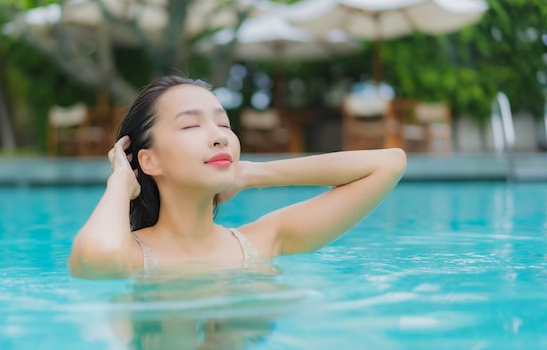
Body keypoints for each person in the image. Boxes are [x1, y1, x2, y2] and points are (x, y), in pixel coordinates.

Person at [69, 75, 406, 279]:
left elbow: (388, 164)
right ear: (149, 160)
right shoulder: (132, 255)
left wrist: (251, 173)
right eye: (190, 125)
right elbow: (98, 255)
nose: (219, 137)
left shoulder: (262, 242)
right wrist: (120, 182)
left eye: (225, 125)